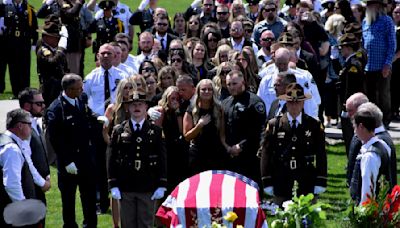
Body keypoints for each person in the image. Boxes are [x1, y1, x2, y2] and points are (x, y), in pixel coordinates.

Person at [260, 83, 327, 206]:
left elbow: (321, 154)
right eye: (291, 102)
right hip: (281, 178)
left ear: (303, 103)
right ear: (286, 103)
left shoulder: (313, 125)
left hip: (306, 178)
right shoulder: (275, 125)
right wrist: (267, 180)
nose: (294, 106)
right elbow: (266, 153)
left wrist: (321, 179)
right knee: (281, 219)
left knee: (307, 218)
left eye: (297, 102)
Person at [108, 90, 167, 228]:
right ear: (128, 108)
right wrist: (113, 184)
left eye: (140, 104)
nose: (137, 107)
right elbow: (111, 159)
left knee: (145, 223)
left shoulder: (156, 131)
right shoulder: (119, 130)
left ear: (146, 107)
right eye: (133, 104)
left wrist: (162, 184)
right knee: (127, 224)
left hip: (148, 186)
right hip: (126, 186)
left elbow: (162, 159)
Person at [46, 74, 98, 228]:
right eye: (78, 88)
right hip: (69, 162)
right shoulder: (56, 109)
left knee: (89, 197)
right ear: (68, 90)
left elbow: (87, 115)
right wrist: (67, 161)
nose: (82, 90)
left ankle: (90, 224)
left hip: (86, 158)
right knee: (68, 199)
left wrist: (98, 118)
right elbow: (55, 139)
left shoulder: (80, 99)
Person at [101, 77, 136, 228]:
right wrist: (114, 147)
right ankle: (117, 224)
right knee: (116, 191)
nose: (128, 91)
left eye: (130, 87)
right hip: (116, 153)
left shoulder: (138, 106)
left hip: (135, 153)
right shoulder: (113, 108)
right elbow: (105, 133)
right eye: (125, 88)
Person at [221, 70, 266, 187]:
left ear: (243, 82)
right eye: (229, 84)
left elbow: (258, 130)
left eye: (234, 83)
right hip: (230, 156)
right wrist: (228, 147)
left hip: (249, 156)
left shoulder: (254, 102)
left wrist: (241, 146)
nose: (231, 87)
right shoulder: (225, 103)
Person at [18, 88, 51, 227]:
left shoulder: (35, 123)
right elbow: (27, 160)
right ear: (27, 106)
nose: (43, 106)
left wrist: (47, 175)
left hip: (38, 186)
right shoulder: (23, 129)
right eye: (39, 103)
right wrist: (41, 182)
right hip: (31, 188)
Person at [349, 102, 393, 205]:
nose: (355, 132)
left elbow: (368, 188)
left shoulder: (369, 156)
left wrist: (364, 212)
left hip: (371, 212)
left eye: (355, 127)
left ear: (361, 126)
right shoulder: (383, 145)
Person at [0, 109, 37, 227]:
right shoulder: (12, 149)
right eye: (29, 124)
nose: (31, 128)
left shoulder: (4, 140)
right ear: (20, 125)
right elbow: (11, 183)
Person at [362, 0, 396, 127]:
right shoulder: (365, 22)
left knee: (383, 94)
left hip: (382, 65)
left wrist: (387, 64)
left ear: (377, 6)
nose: (368, 7)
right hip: (368, 65)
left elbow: (392, 44)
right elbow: (362, 42)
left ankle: (385, 120)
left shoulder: (387, 21)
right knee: (370, 95)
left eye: (370, 5)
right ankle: (373, 120)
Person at [183, 79, 226, 175]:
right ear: (198, 91)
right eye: (203, 89)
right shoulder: (191, 109)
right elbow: (187, 136)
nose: (207, 92)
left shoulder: (219, 109)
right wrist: (199, 125)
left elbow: (222, 134)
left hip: (216, 153)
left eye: (210, 89)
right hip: (197, 154)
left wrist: (227, 147)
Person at [154, 86, 188, 191]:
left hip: (179, 148)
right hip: (165, 148)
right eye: (172, 98)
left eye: (177, 98)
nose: (174, 101)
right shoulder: (162, 111)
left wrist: (177, 111)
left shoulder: (182, 111)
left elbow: (181, 131)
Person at [2, 0, 38, 98]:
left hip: (24, 42)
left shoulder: (29, 9)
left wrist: (34, 43)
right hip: (10, 43)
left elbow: (34, 27)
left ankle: (25, 93)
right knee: (13, 69)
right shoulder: (7, 8)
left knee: (25, 68)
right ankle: (15, 92)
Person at [337, 33, 366, 156]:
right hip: (349, 105)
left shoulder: (352, 65)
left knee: (350, 135)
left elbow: (350, 89)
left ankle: (352, 159)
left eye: (342, 48)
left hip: (350, 106)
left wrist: (345, 107)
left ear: (348, 48)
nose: (341, 50)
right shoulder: (351, 62)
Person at [36, 15, 70, 107]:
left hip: (59, 87)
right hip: (49, 88)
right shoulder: (43, 50)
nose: (58, 39)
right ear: (47, 37)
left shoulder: (55, 50)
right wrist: (61, 49)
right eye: (55, 37)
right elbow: (53, 62)